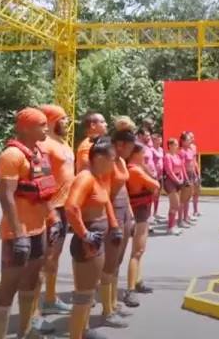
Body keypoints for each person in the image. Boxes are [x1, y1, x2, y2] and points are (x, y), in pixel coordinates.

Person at [0, 108, 61, 339]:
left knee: (32, 282)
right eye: (41, 124)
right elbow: (6, 196)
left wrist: (53, 219)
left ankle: (25, 332)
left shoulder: (39, 153)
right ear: (25, 128)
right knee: (9, 286)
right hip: (17, 233)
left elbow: (44, 190)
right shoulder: (11, 156)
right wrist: (18, 234)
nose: (46, 128)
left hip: (39, 229)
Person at [65, 137, 121, 339]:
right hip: (88, 243)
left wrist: (113, 226)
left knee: (88, 293)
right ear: (99, 158)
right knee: (84, 295)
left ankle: (82, 331)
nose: (113, 164)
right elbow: (71, 208)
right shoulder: (85, 178)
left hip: (96, 241)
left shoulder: (98, 177)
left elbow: (104, 204)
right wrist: (85, 234)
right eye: (112, 160)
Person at [31, 105, 76, 332]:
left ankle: (50, 300)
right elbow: (40, 179)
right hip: (52, 210)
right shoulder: (43, 145)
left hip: (64, 208)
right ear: (50, 121)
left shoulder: (62, 144)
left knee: (53, 259)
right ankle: (33, 313)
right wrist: (50, 211)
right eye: (63, 119)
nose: (67, 122)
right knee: (42, 262)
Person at [99, 129, 139, 328]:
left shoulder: (121, 161)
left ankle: (114, 304)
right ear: (120, 144)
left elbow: (124, 190)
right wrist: (113, 221)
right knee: (109, 264)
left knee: (117, 263)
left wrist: (130, 216)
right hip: (112, 212)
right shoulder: (107, 162)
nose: (132, 151)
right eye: (130, 147)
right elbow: (104, 193)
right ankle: (106, 311)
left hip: (124, 212)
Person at [124, 142, 161, 307]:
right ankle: (130, 289)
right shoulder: (135, 170)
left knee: (140, 250)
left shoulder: (138, 168)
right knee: (137, 251)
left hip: (143, 211)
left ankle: (137, 281)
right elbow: (156, 185)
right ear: (135, 154)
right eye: (143, 153)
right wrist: (147, 170)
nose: (145, 156)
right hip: (138, 212)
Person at [162, 138, 186, 236]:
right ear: (170, 145)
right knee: (175, 204)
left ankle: (171, 226)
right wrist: (177, 180)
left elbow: (181, 168)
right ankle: (170, 227)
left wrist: (182, 178)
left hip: (178, 181)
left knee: (175, 205)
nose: (177, 146)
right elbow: (169, 171)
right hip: (170, 181)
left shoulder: (176, 155)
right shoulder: (167, 156)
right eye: (175, 144)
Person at [178, 132, 197, 227]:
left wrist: (195, 175)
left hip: (191, 174)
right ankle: (180, 220)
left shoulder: (190, 150)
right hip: (185, 175)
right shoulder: (181, 152)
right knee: (183, 199)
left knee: (188, 198)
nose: (191, 141)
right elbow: (182, 166)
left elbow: (193, 164)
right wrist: (185, 178)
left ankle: (186, 218)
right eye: (188, 139)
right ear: (183, 141)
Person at [188, 131, 202, 218]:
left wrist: (198, 172)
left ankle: (195, 211)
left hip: (195, 171)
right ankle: (186, 215)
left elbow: (194, 160)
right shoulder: (182, 149)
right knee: (188, 193)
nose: (193, 139)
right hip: (188, 172)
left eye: (193, 137)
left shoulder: (193, 147)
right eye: (191, 137)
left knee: (196, 192)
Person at [151, 132, 164, 221]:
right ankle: (150, 215)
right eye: (158, 140)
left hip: (160, 175)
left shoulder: (161, 150)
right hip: (153, 175)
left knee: (158, 195)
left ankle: (155, 213)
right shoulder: (151, 150)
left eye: (161, 139)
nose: (160, 141)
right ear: (154, 140)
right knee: (152, 195)